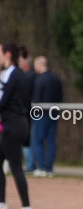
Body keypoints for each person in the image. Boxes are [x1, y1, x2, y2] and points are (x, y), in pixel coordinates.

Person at [0, 42, 35, 209]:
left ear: (7, 54)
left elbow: (3, 101)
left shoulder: (11, 74)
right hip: (17, 124)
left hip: (12, 126)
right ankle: (2, 205)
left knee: (15, 167)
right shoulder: (16, 74)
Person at [30, 56, 63, 177]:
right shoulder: (56, 78)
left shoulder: (39, 80)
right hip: (53, 114)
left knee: (37, 141)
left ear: (40, 65)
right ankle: (49, 168)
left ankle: (42, 167)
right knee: (51, 141)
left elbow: (36, 99)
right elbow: (60, 97)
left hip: (41, 115)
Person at [18, 46, 35, 174]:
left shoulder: (28, 77)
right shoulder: (31, 76)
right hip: (29, 111)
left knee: (27, 138)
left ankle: (30, 164)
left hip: (27, 112)